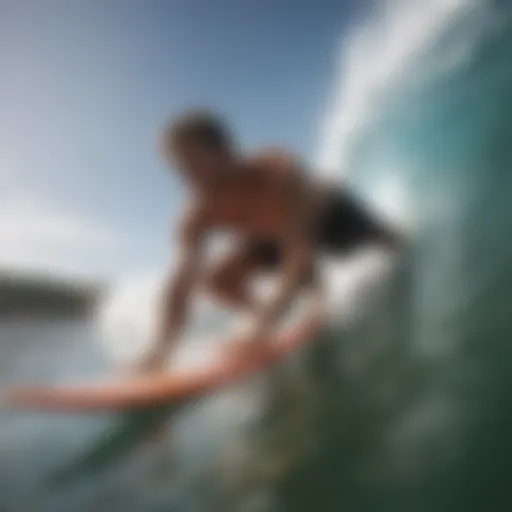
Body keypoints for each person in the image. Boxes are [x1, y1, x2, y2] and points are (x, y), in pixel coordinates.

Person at [138, 110, 401, 372]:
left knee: (394, 247)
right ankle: (277, 317)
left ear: (224, 150)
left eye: (193, 161)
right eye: (178, 167)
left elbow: (299, 251)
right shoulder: (196, 214)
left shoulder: (276, 172)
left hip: (333, 218)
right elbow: (181, 282)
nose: (186, 175)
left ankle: (283, 313)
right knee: (219, 281)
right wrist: (161, 348)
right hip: (273, 239)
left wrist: (262, 327)